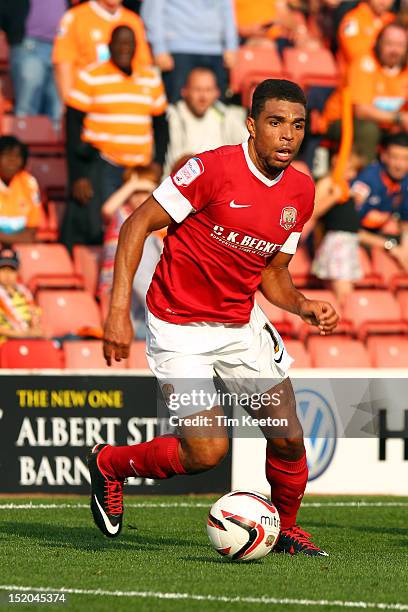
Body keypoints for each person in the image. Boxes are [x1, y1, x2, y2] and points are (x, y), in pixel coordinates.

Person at [88, 79, 339, 555]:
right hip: (179, 327)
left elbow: (274, 273)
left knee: (287, 438)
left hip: (240, 325)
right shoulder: (212, 169)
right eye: (275, 122)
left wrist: (304, 304)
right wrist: (118, 311)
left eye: (298, 125)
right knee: (207, 452)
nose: (288, 134)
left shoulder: (301, 191)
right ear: (251, 125)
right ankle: (110, 464)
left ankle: (285, 528)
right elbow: (135, 224)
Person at [62, 25, 168, 250]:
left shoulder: (149, 78)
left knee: (141, 226)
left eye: (129, 43)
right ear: (109, 46)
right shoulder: (91, 76)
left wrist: (158, 162)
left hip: (139, 168)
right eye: (119, 43)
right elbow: (72, 125)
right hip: (104, 164)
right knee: (103, 225)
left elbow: (161, 126)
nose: (124, 48)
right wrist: (78, 175)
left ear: (136, 47)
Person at [322, 23, 408, 162]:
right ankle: (364, 179)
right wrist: (399, 118)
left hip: (386, 125)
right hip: (343, 120)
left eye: (400, 45)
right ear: (378, 44)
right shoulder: (364, 63)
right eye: (389, 44)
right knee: (369, 130)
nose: (395, 50)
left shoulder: (405, 69)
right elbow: (361, 111)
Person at [99, 169, 162, 339]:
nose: (140, 198)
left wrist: (157, 193)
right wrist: (132, 184)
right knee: (142, 242)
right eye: (136, 193)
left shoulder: (155, 219)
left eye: (146, 193)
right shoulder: (122, 213)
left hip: (141, 288)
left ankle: (158, 314)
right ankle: (159, 312)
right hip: (118, 284)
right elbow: (107, 209)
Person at [52, 0, 152, 102]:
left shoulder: (134, 21)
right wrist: (70, 106)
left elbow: (144, 65)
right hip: (88, 101)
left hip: (125, 102)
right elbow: (63, 64)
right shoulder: (75, 17)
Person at [140, 0, 238, 103]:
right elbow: (152, 10)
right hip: (179, 49)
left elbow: (227, 8)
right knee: (177, 106)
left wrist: (231, 46)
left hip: (216, 51)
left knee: (218, 108)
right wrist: (159, 48)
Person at [164, 67, 248, 176]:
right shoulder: (171, 116)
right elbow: (177, 165)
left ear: (216, 93)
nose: (203, 97)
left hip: (219, 182)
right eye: (197, 89)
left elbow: (247, 147)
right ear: (184, 91)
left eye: (208, 90)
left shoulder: (225, 115)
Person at [311, 150, 366, 306]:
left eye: (355, 171)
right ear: (336, 160)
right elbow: (312, 212)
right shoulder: (327, 183)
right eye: (349, 169)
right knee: (344, 293)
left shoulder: (347, 186)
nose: (352, 174)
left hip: (349, 243)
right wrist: (333, 198)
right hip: (337, 244)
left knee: (342, 293)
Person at [353, 133, 408, 271]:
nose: (400, 165)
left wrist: (404, 250)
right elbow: (347, 229)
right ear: (384, 156)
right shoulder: (367, 181)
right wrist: (390, 246)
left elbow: (405, 222)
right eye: (395, 158)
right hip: (350, 239)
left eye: (406, 159)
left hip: (378, 237)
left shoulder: (405, 181)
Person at [7, 0, 66, 127]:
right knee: (27, 111)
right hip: (29, 45)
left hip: (62, 46)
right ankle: (22, 145)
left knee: (58, 112)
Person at [0, 136, 41, 245]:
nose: (12, 160)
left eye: (17, 156)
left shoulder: (29, 183)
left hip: (22, 247)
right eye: (7, 155)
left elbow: (32, 230)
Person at [0, 247, 43, 342]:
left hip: (26, 342)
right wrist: (25, 335)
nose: (7, 274)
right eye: (3, 270)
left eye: (11, 270)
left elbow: (35, 322)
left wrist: (35, 329)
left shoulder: (25, 294)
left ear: (17, 272)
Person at [337, 0, 395, 65]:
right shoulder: (353, 20)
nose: (383, 2)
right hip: (359, 72)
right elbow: (356, 54)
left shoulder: (393, 21)